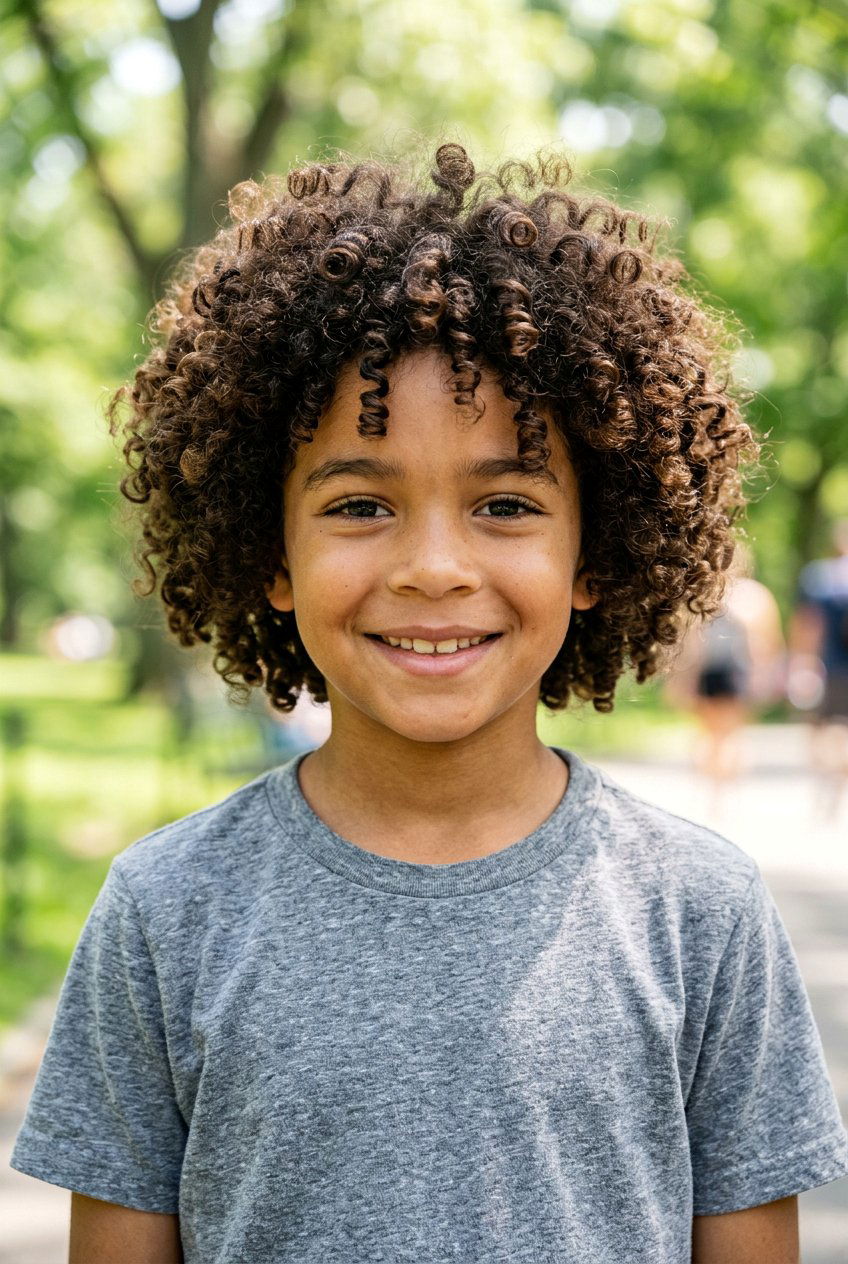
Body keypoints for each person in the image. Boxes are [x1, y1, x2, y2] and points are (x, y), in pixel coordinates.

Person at [10, 144, 848, 1263]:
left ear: (593, 551)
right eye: (360, 505)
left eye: (505, 501)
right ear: (271, 550)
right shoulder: (164, 912)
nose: (434, 566)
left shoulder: (698, 913)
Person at [663, 542, 785, 817]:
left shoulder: (706, 595)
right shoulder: (756, 596)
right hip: (737, 673)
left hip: (714, 672)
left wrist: (682, 679)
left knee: (711, 735)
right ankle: (724, 793)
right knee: (730, 735)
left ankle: (715, 792)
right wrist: (765, 676)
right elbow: (768, 642)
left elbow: (692, 644)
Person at [788, 518, 848, 821]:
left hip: (829, 667)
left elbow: (808, 624)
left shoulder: (819, 577)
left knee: (822, 728)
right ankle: (839, 782)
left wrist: (802, 662)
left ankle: (827, 779)